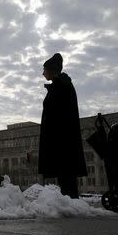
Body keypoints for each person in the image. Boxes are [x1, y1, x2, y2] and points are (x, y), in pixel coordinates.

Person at [38, 53, 87, 198]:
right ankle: (70, 200)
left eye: (44, 70)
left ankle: (71, 200)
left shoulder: (62, 86)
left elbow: (59, 115)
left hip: (62, 139)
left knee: (65, 171)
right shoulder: (61, 85)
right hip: (61, 139)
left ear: (52, 70)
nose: (43, 73)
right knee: (64, 172)